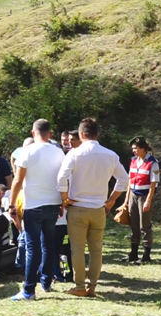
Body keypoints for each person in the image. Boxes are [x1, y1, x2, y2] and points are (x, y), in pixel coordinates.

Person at [57, 118, 129, 297]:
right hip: (99, 208)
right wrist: (111, 200)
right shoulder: (110, 155)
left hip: (78, 207)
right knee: (96, 249)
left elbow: (61, 178)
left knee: (78, 249)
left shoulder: (74, 153)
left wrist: (65, 199)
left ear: (81, 135)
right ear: (98, 134)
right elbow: (124, 180)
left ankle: (80, 286)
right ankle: (93, 286)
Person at [9, 119, 65, 301]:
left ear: (33, 133)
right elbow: (64, 179)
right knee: (48, 243)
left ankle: (28, 290)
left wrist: (11, 204)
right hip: (53, 202)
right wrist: (63, 202)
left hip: (33, 203)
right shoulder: (59, 152)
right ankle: (46, 281)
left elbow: (17, 180)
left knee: (33, 246)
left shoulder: (27, 151)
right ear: (50, 133)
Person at [118, 136, 160, 265]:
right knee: (133, 224)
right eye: (133, 149)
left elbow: (154, 183)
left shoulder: (153, 162)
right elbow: (130, 181)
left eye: (136, 148)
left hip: (144, 195)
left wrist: (148, 200)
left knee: (145, 225)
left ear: (143, 148)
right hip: (133, 195)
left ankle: (146, 255)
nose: (134, 151)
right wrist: (126, 200)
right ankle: (133, 254)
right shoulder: (133, 161)